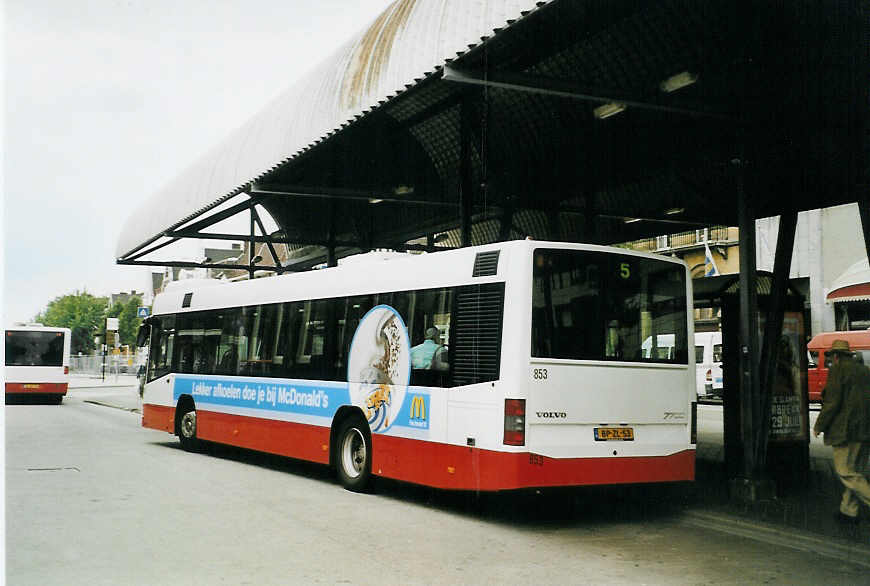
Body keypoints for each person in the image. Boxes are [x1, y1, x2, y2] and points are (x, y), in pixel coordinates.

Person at [812, 339, 870, 523]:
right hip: (864, 430)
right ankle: (848, 511)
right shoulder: (864, 370)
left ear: (835, 356)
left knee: (846, 472)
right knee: (856, 471)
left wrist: (819, 425)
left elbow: (832, 402)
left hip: (845, 431)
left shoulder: (838, 370)